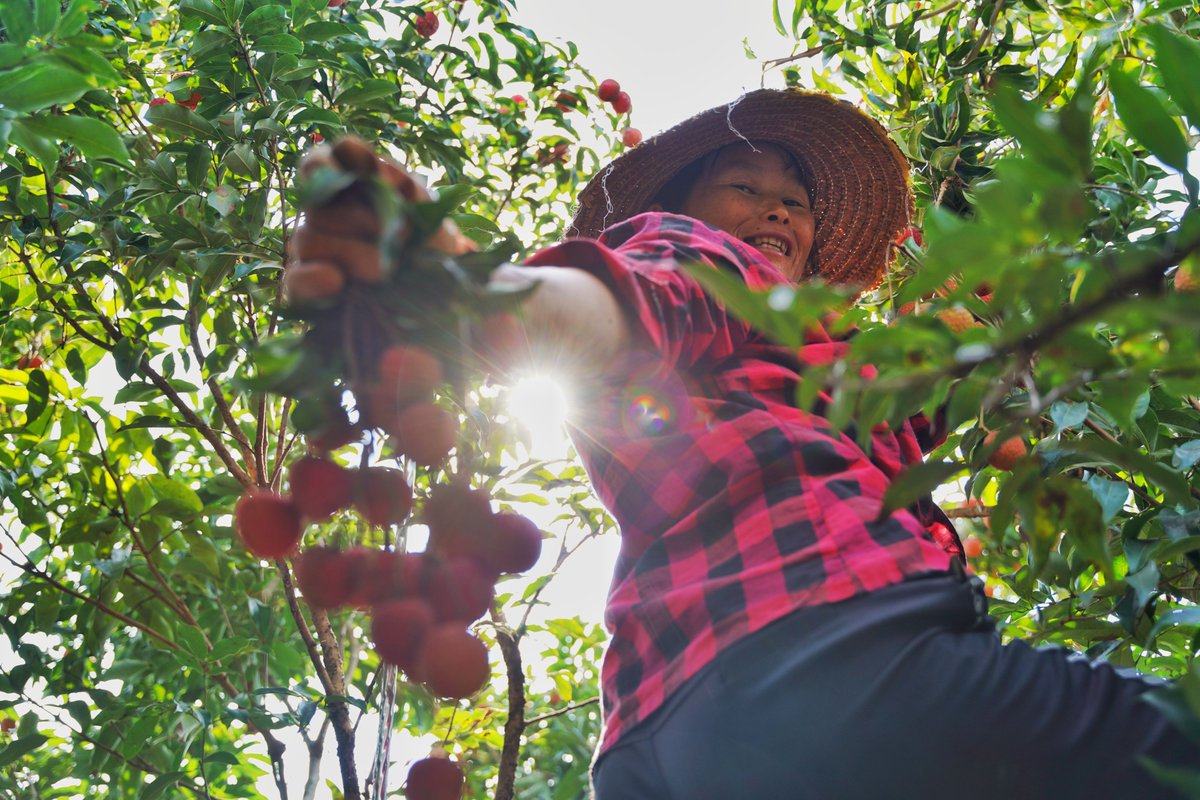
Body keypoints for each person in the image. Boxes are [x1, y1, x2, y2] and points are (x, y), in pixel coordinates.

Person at [292, 89, 1199, 798]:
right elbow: (627, 302)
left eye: (793, 201)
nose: (774, 210)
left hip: (664, 738)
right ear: (687, 210)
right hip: (830, 655)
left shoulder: (827, 361)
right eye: (744, 187)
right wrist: (483, 298)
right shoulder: (707, 263)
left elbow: (932, 412)